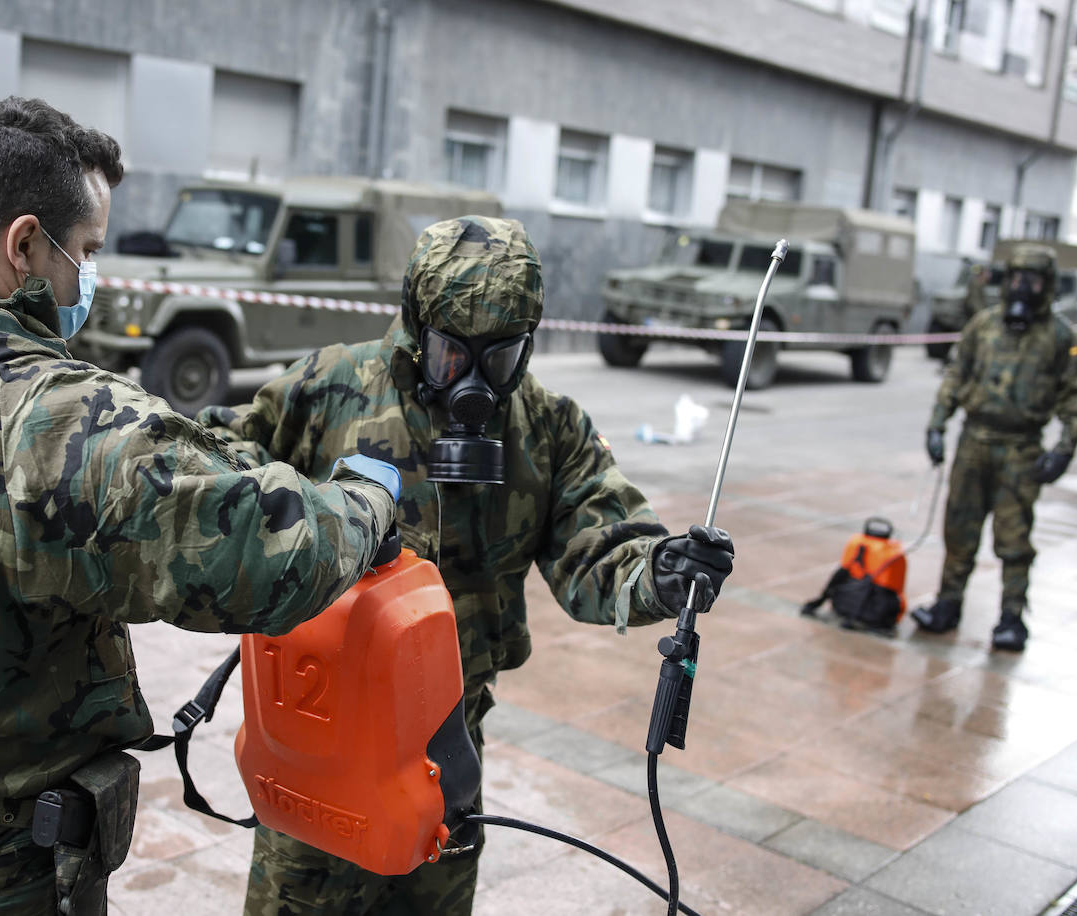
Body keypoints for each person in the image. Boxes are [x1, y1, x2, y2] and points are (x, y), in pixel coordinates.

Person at [0, 96, 402, 915]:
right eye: (86, 250)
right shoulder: (51, 420)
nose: (90, 275)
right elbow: (270, 559)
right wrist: (366, 499)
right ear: (24, 244)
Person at [197, 215, 735, 915]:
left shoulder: (547, 427)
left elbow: (598, 548)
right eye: (453, 356)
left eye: (500, 359)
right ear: (416, 329)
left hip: (448, 740)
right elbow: (215, 464)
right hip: (321, 731)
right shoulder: (330, 387)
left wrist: (660, 570)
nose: (475, 382)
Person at [912, 242, 1077, 651]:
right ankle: (947, 605)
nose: (1022, 287)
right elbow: (956, 375)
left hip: (1020, 450)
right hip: (974, 443)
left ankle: (1011, 617)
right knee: (959, 530)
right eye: (1016, 278)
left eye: (1031, 280)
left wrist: (1064, 449)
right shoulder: (984, 326)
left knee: (1013, 539)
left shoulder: (1060, 337)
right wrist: (937, 425)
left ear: (1046, 285)